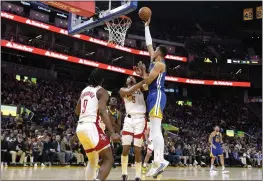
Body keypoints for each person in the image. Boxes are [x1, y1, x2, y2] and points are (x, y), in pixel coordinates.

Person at [134, 17, 169, 177]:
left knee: (155, 129)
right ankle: (157, 162)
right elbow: (149, 43)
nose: (152, 50)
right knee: (155, 130)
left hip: (158, 94)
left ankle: (160, 160)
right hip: (152, 94)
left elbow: (147, 81)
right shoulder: (153, 61)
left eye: (155, 50)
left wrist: (142, 74)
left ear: (159, 54)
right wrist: (147, 27)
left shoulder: (160, 64)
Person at [75, 68, 120, 181]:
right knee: (108, 159)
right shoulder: (102, 91)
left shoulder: (84, 90)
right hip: (91, 126)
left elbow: (77, 111)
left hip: (80, 127)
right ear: (102, 80)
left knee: (93, 160)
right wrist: (113, 133)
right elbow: (102, 111)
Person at [119, 76, 146, 181]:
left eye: (133, 77)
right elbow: (130, 90)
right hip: (129, 120)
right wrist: (141, 82)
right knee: (125, 149)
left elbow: (148, 82)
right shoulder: (123, 90)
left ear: (135, 80)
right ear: (126, 82)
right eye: (128, 78)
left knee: (137, 149)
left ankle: (138, 175)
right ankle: (124, 173)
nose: (130, 78)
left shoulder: (141, 88)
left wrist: (144, 75)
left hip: (140, 119)